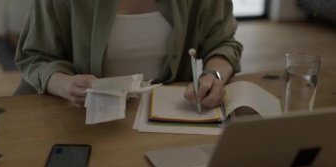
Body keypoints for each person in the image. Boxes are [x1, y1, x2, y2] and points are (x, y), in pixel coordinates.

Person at [15, 0, 243, 109]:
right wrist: (67, 85)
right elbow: (36, 57)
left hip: (170, 116)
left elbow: (222, 43)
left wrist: (214, 75)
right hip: (82, 121)